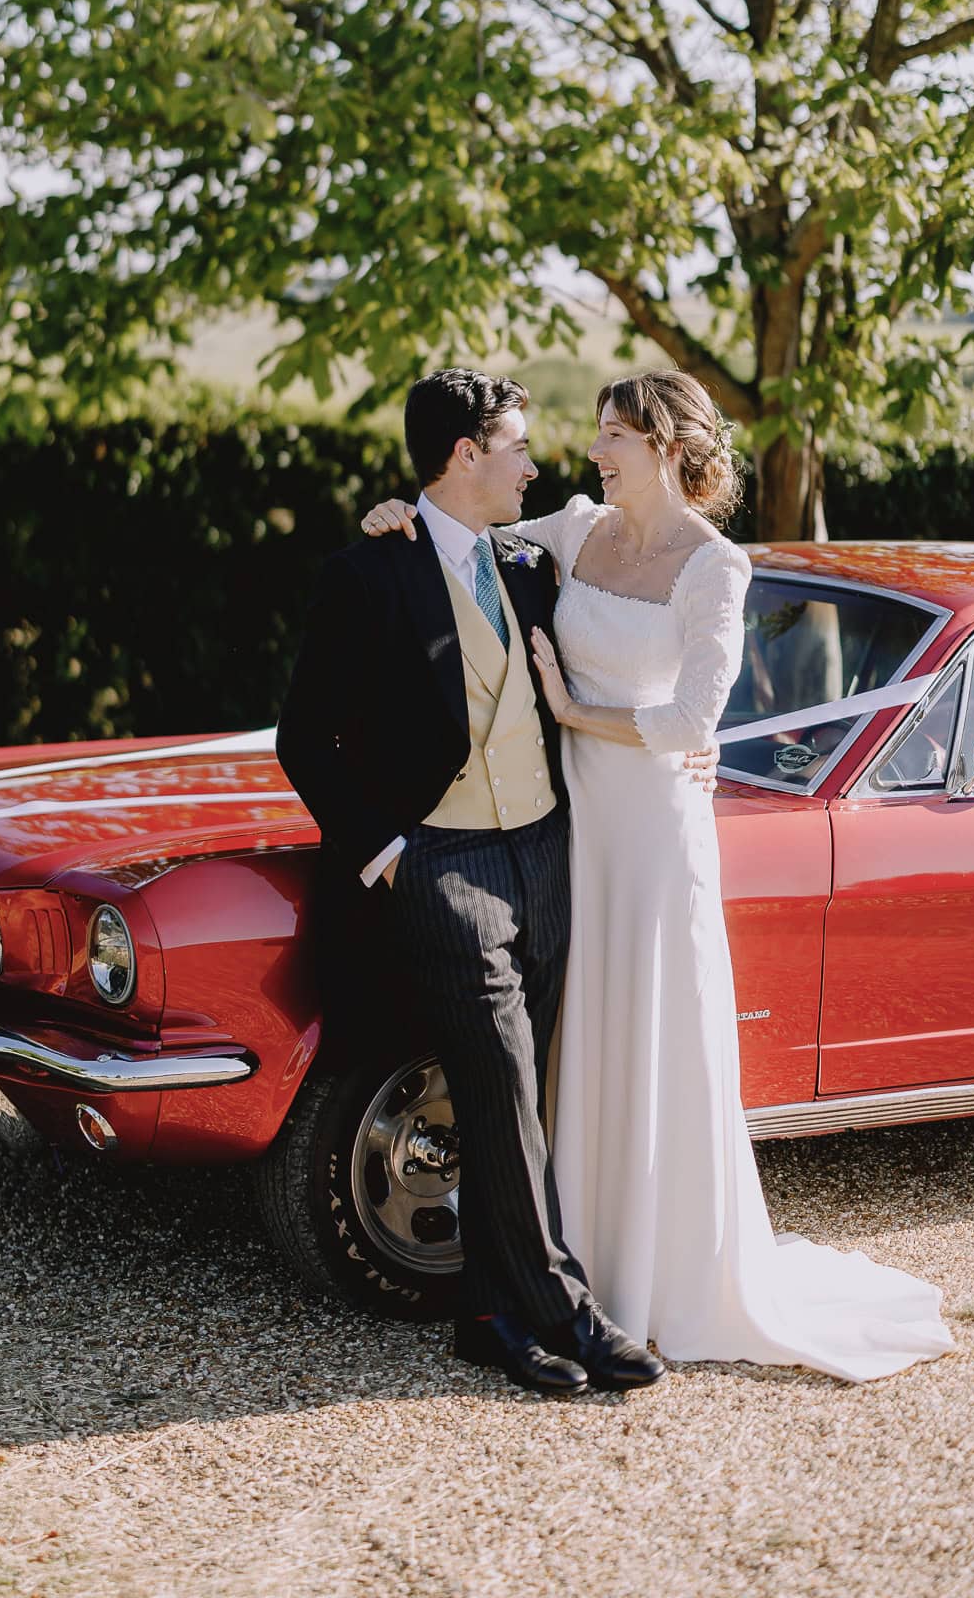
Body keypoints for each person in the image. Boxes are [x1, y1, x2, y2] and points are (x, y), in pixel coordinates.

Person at [359, 368, 954, 1383]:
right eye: (596, 431)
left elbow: (690, 723)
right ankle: (561, 1271)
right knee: (573, 1028)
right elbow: (473, 529)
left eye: (614, 434)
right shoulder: (578, 528)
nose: (592, 449)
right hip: (571, 821)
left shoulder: (716, 566)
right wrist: (394, 516)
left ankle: (657, 1275)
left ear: (666, 444)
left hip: (652, 823)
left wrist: (572, 706)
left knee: (648, 1024)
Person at [277, 369, 711, 1397]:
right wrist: (389, 850)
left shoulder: (526, 562)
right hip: (444, 861)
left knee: (525, 1088)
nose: (535, 461)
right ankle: (560, 1304)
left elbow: (644, 596)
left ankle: (486, 1311)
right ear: (465, 455)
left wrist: (693, 734)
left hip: (546, 848)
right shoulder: (368, 572)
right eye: (516, 444)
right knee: (503, 1080)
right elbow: (306, 737)